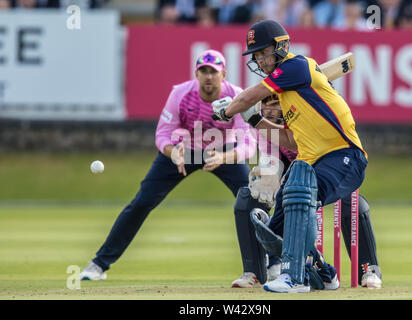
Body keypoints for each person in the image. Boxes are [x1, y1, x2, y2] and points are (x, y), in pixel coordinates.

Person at [213, 19, 381, 293]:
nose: (258, 59)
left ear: (281, 47)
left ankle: (294, 278)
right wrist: (255, 120)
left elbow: (251, 95)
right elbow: (293, 139)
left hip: (343, 155)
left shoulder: (296, 66)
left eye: (262, 52)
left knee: (300, 193)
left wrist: (227, 110)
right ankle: (325, 273)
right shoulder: (292, 96)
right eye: (255, 55)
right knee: (275, 228)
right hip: (313, 162)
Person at [80, 49, 257, 280]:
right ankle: (99, 264)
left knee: (254, 200)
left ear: (223, 74)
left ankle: (274, 262)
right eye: (203, 71)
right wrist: (172, 152)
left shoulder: (237, 96)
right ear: (196, 73)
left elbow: (249, 144)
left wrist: (224, 157)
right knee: (142, 202)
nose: (208, 76)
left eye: (213, 72)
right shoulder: (180, 93)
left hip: (223, 150)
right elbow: (162, 134)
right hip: (183, 150)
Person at [231, 95, 339, 290]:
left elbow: (311, 151)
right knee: (247, 198)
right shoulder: (263, 125)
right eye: (266, 105)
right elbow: (269, 154)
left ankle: (368, 269)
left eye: (275, 104)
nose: (270, 110)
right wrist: (270, 173)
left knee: (351, 203)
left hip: (325, 170)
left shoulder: (303, 117)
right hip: (292, 174)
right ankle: (257, 271)